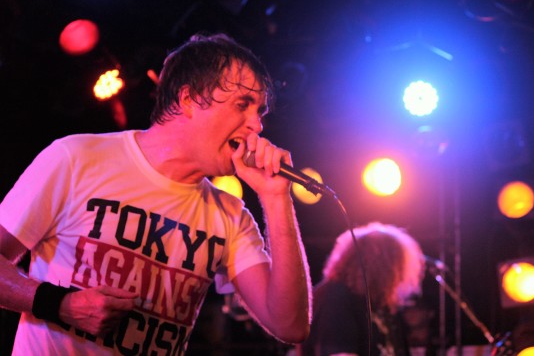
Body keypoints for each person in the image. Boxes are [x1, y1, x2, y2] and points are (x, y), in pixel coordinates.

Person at [0, 32, 312, 355]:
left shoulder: (231, 216)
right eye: (243, 105)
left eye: (260, 113)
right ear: (189, 99)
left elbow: (290, 325)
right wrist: (61, 305)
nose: (257, 127)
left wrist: (277, 199)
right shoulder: (77, 158)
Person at [299, 222, 425, 356]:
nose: (400, 275)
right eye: (397, 266)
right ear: (384, 266)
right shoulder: (336, 297)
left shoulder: (379, 305)